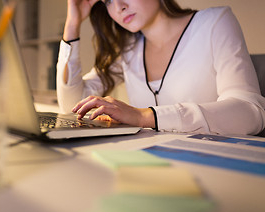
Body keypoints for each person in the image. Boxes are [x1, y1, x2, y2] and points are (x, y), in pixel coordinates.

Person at [56, 0, 265, 135]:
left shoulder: (214, 22)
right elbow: (72, 106)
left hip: (214, 167)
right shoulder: (127, 51)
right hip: (152, 167)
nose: (119, 6)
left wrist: (145, 116)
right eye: (108, 0)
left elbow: (251, 112)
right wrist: (73, 23)